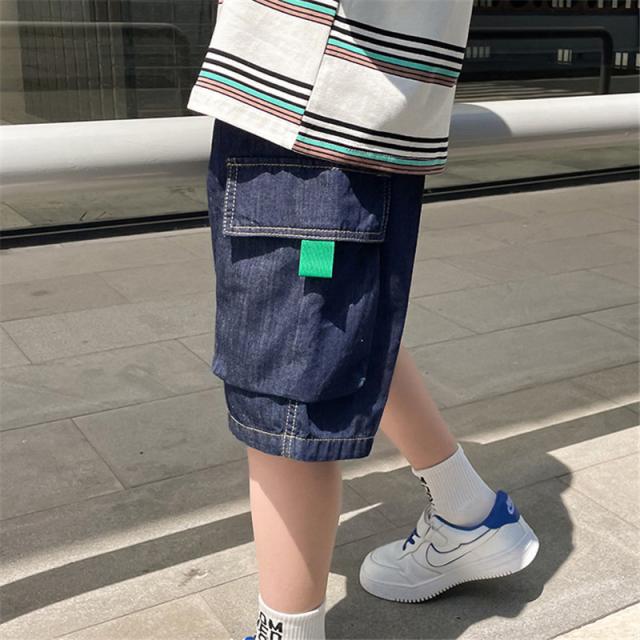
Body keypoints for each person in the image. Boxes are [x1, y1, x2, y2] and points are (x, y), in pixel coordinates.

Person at [187, 1, 540, 638]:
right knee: (336, 339)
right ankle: (469, 513)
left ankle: (286, 633)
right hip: (333, 99)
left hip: (312, 102)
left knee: (288, 390)